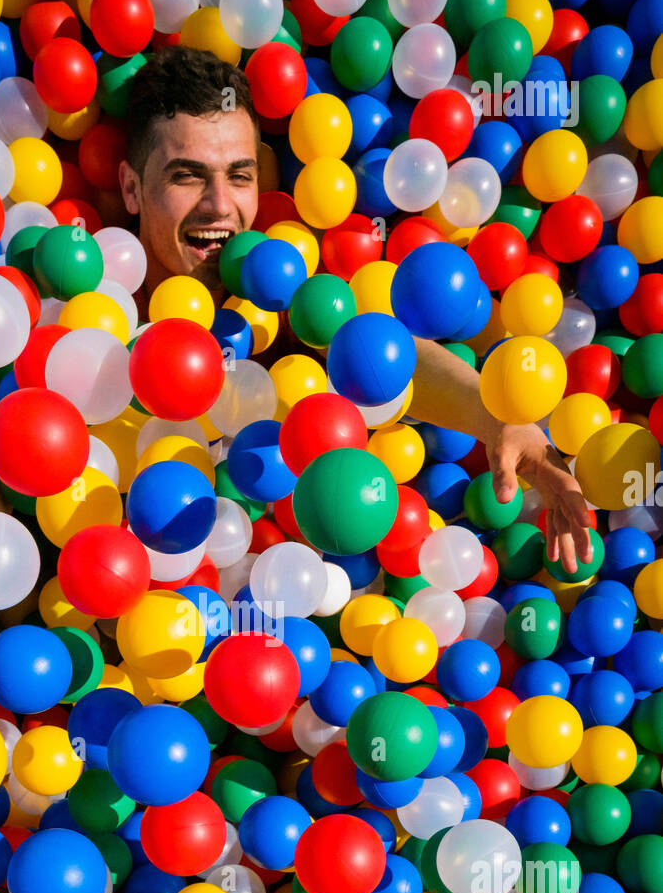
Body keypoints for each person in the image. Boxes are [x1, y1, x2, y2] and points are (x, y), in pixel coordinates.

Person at [120, 46, 594, 574]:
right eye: (186, 175)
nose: (219, 205)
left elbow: (378, 352)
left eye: (239, 175)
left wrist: (498, 422)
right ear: (130, 188)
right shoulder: (93, 317)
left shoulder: (279, 300)